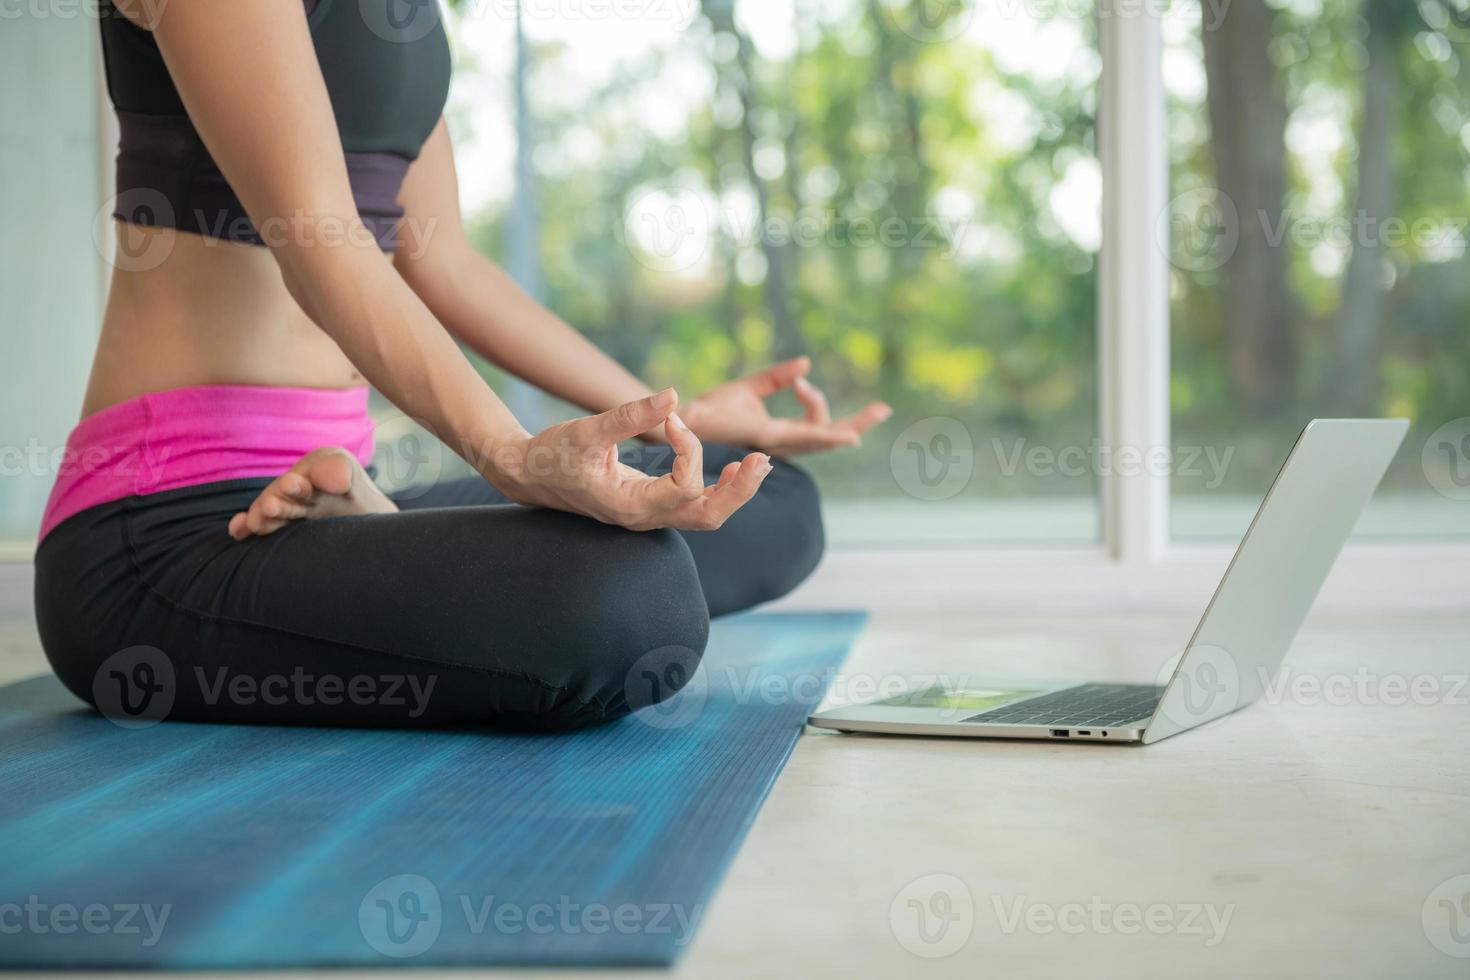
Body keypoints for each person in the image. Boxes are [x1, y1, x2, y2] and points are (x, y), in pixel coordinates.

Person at [32, 0, 889, 731]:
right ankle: (356, 540)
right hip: (160, 535)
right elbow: (320, 240)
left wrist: (678, 423)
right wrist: (513, 458)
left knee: (763, 499)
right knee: (637, 602)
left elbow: (446, 266)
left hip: (324, 491)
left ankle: (353, 530)